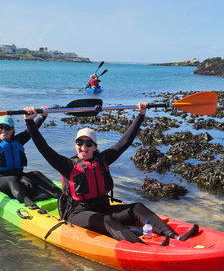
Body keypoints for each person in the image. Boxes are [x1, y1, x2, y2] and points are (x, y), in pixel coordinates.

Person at [23, 103, 199, 244]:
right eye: (80, 142)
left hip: (103, 206)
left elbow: (125, 142)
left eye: (88, 143)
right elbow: (43, 148)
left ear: (95, 147)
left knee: (137, 207)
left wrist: (141, 115)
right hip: (78, 212)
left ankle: (176, 237)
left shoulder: (103, 160)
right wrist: (30, 122)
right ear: (75, 144)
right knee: (107, 220)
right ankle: (142, 248)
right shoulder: (68, 165)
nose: (83, 146)